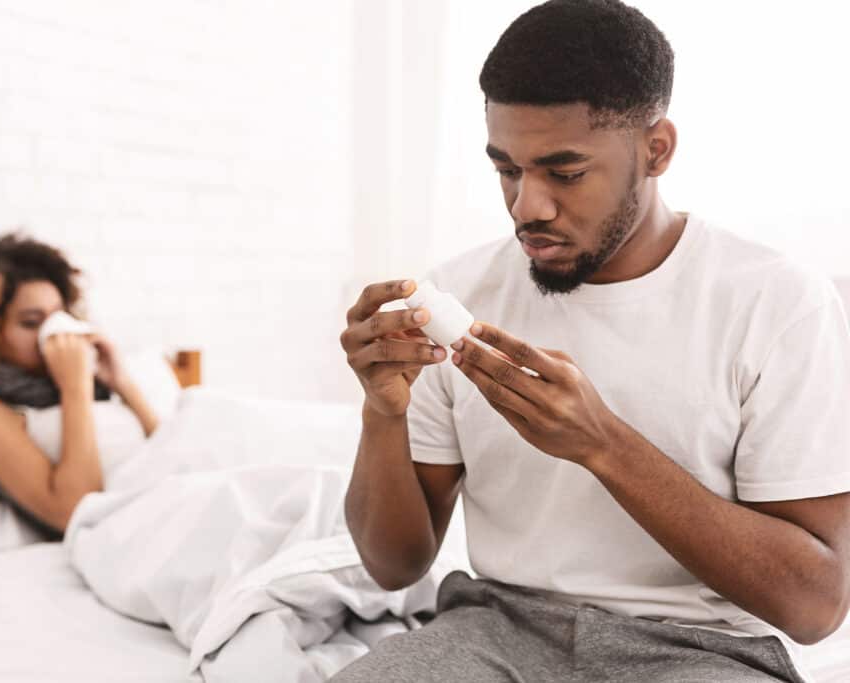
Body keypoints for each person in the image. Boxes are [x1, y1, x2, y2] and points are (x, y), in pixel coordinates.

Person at [336, 1, 850, 681]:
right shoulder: (459, 294)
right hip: (494, 627)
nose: (527, 207)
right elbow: (393, 564)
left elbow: (815, 604)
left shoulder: (774, 302)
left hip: (697, 650)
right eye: (507, 170)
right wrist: (382, 411)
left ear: (656, 149)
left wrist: (602, 443)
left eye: (564, 172)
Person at [0, 231, 160, 537]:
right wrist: (74, 388)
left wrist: (123, 384)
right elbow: (74, 510)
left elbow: (169, 450)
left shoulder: (98, 386)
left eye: (58, 316)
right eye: (31, 323)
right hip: (136, 523)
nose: (51, 332)